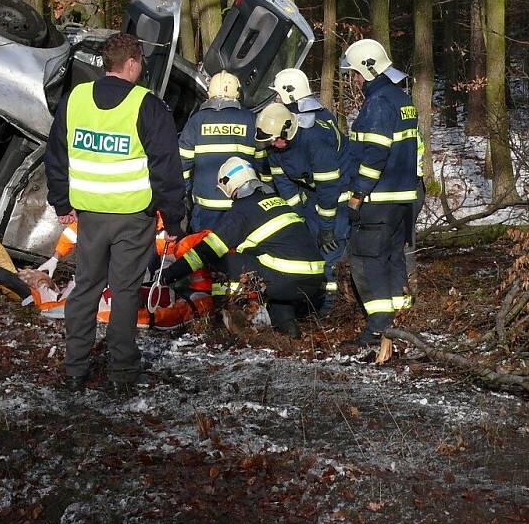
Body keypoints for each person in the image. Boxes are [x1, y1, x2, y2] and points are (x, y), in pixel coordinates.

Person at [45, 32, 186, 395]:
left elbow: (56, 155)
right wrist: (172, 221)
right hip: (132, 217)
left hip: (89, 216)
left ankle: (75, 367)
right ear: (133, 63)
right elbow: (166, 169)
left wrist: (61, 203)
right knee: (124, 292)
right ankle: (122, 371)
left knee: (85, 288)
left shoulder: (75, 99)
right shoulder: (147, 105)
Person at [161, 157, 325, 338]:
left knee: (222, 262)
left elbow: (206, 251)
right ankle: (287, 326)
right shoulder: (278, 202)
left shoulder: (242, 210)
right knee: (269, 269)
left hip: (286, 278)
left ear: (229, 184)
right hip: (312, 281)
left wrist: (170, 274)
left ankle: (229, 325)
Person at [340, 38, 419, 345]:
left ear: (368, 71)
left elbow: (374, 157)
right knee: (393, 258)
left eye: (357, 74)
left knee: (367, 260)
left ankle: (378, 329)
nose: (356, 80)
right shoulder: (402, 100)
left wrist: (357, 195)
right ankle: (400, 323)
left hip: (377, 200)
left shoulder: (377, 105)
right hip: (401, 200)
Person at [255, 101, 351, 310]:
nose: (273, 144)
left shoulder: (315, 141)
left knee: (330, 250)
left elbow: (328, 188)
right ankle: (312, 301)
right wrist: (298, 219)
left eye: (275, 140)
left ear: (287, 131)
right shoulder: (275, 147)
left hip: (338, 192)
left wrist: (326, 228)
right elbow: (284, 183)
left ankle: (330, 308)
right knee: (310, 246)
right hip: (312, 191)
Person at [178, 70, 260, 296]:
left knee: (206, 256)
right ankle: (238, 299)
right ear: (237, 93)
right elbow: (262, 162)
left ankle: (207, 305)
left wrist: (184, 197)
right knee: (238, 256)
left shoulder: (197, 121)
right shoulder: (250, 120)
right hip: (241, 206)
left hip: (207, 208)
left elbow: (182, 164)